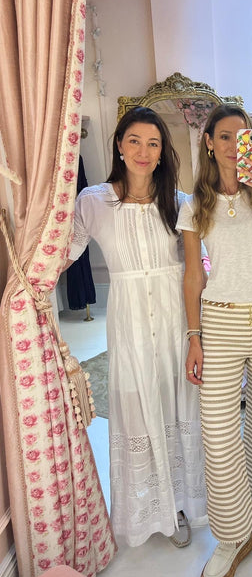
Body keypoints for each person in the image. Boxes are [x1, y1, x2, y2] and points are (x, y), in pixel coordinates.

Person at [66, 106, 206, 548]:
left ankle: (183, 503)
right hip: (127, 321)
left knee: (177, 404)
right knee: (137, 405)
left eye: (153, 143)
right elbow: (61, 253)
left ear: (163, 153)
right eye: (134, 141)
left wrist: (196, 332)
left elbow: (198, 268)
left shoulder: (180, 205)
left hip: (174, 317)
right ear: (119, 147)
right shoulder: (94, 201)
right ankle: (150, 511)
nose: (143, 152)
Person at [177, 104, 252, 577]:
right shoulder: (194, 204)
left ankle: (251, 508)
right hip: (220, 322)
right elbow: (194, 275)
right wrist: (194, 335)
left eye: (242, 137)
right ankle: (231, 536)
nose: (232, 145)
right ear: (208, 143)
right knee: (220, 432)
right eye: (223, 136)